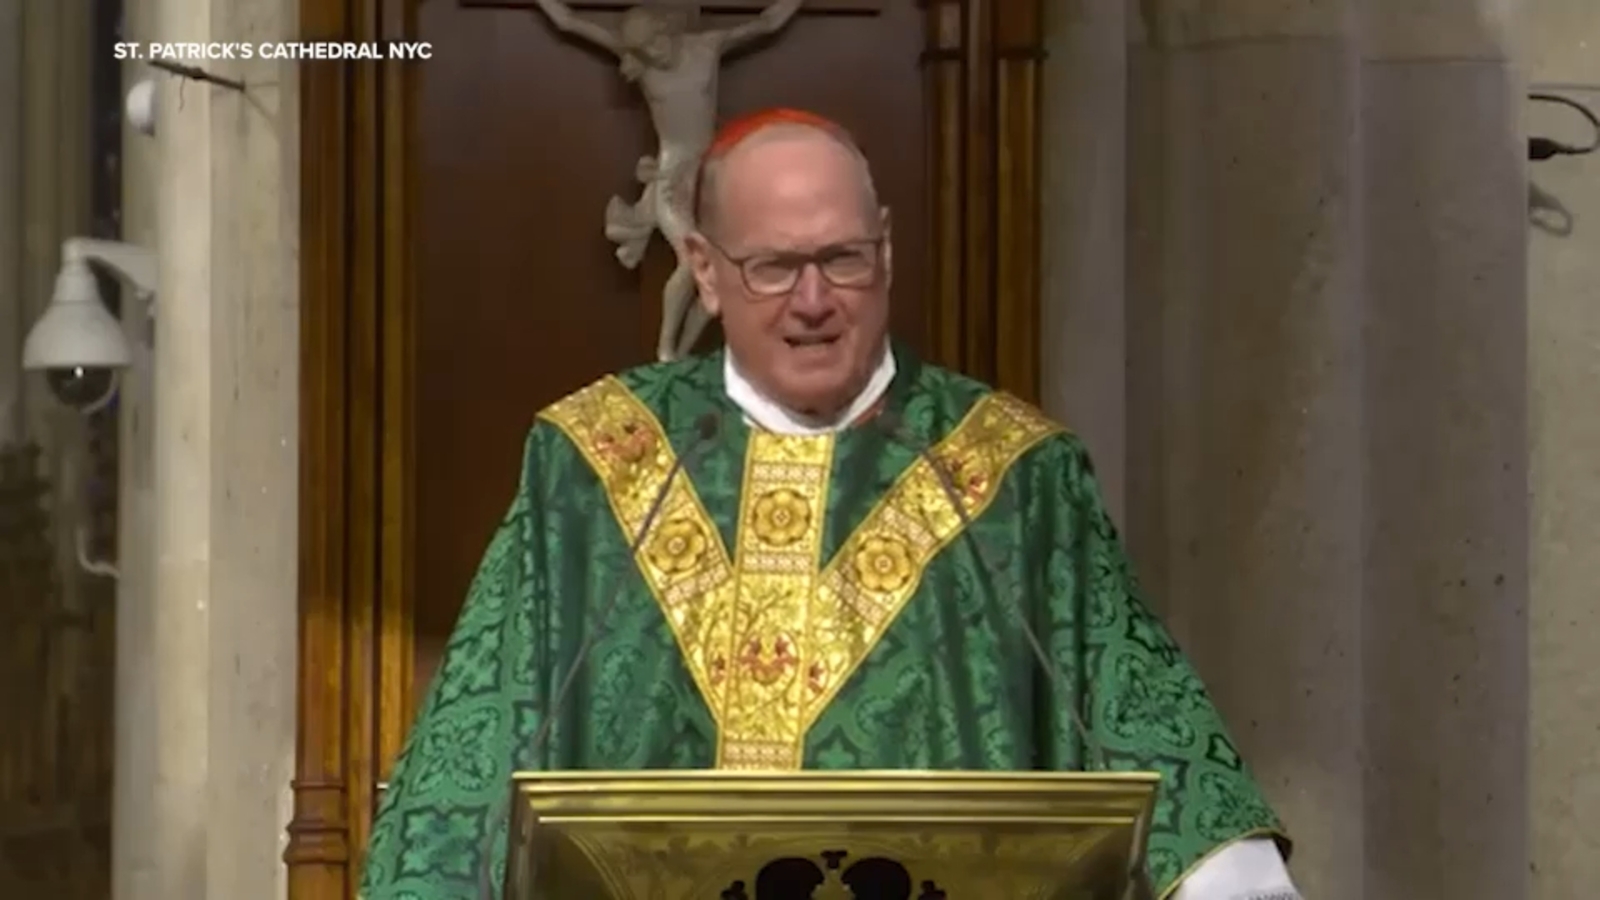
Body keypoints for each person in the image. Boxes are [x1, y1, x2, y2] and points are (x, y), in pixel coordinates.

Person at [359, 108, 1302, 899]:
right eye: (774, 266)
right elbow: (470, 764)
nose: (813, 300)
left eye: (843, 259)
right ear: (707, 270)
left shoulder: (1014, 475)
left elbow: (1150, 734)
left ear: (886, 250)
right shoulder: (593, 466)